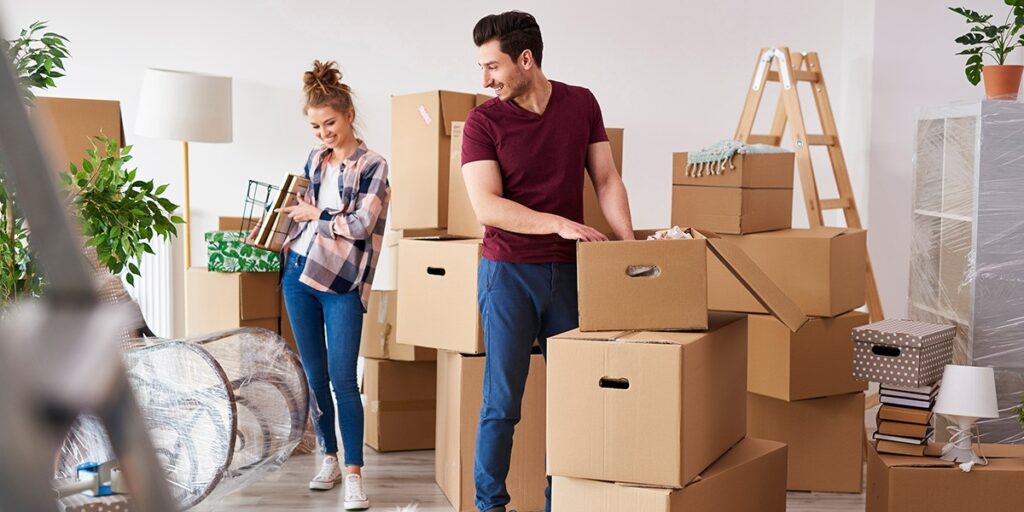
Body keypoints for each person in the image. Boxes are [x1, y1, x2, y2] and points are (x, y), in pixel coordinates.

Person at [459, 11, 635, 512]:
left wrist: (628, 245)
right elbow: (487, 206)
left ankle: (563, 501)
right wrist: (556, 222)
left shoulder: (581, 103)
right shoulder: (483, 121)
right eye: (481, 67)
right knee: (502, 403)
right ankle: (491, 505)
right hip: (508, 273)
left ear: (526, 59)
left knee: (575, 400)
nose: (485, 79)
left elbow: (606, 179)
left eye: (492, 66)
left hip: (573, 275)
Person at [279, 59, 389, 511]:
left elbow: (362, 224)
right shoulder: (315, 160)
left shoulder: (373, 164)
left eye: (330, 123)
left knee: (345, 380)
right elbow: (300, 211)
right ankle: (327, 456)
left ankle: (354, 476)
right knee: (314, 375)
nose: (323, 132)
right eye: (315, 126)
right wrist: (275, 232)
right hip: (298, 276)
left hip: (341, 282)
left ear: (348, 116)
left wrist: (317, 217)